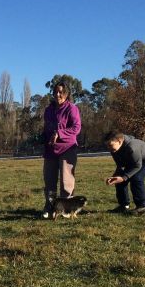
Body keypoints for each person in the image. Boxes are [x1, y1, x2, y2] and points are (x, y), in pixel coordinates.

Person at [41, 81, 82, 218]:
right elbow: (47, 128)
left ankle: (67, 209)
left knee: (66, 181)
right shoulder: (48, 110)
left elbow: (76, 128)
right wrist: (42, 138)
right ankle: (50, 207)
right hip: (51, 150)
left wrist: (59, 133)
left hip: (67, 149)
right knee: (49, 181)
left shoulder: (72, 109)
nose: (58, 94)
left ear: (67, 94)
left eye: (61, 92)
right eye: (55, 92)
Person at [103, 131, 145, 215]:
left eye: (110, 145)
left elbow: (137, 166)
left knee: (136, 177)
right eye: (107, 146)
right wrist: (115, 176)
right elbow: (120, 165)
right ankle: (123, 206)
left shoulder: (132, 147)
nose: (109, 148)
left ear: (119, 141)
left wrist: (124, 177)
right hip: (134, 161)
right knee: (119, 178)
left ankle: (142, 207)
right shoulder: (114, 150)